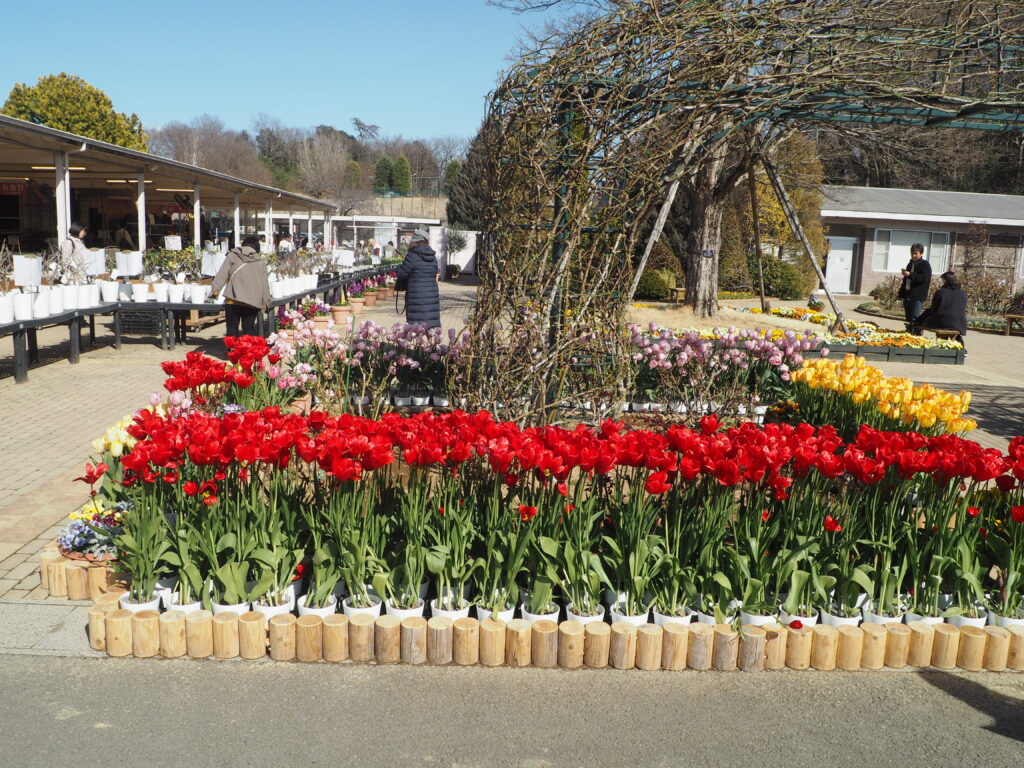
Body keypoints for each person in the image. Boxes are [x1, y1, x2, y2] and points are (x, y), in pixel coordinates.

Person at [211, 235, 272, 337]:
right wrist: (266, 301)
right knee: (248, 330)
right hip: (252, 302)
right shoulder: (260, 262)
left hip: (233, 299)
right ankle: (246, 347)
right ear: (257, 247)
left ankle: (231, 347)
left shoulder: (232, 255)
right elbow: (264, 284)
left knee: (231, 330)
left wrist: (215, 290)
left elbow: (222, 274)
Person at [395, 229, 440, 328]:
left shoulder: (412, 256)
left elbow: (402, 274)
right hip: (431, 297)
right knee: (431, 327)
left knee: (415, 329)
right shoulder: (433, 258)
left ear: (414, 242)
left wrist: (398, 267)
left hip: (416, 298)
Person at [915, 270, 968, 348]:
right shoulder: (963, 293)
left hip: (942, 323)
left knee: (924, 319)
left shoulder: (940, 292)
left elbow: (934, 309)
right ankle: (956, 343)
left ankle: (919, 339)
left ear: (946, 281)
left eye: (942, 280)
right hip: (960, 324)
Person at [899, 242, 932, 331]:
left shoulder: (925, 264)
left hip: (917, 296)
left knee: (915, 319)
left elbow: (923, 278)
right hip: (908, 295)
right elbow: (905, 280)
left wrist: (910, 274)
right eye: (912, 253)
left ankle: (916, 336)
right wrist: (901, 292)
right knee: (908, 318)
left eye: (915, 253)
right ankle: (909, 335)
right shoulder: (910, 264)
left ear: (921, 253)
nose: (913, 256)